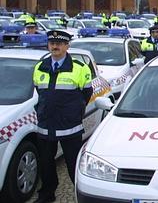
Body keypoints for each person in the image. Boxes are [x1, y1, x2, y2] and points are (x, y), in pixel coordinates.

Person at [32, 30, 92, 203]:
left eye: (59, 43)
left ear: (67, 46)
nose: (55, 46)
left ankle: (79, 193)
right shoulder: (40, 66)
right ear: (48, 45)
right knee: (46, 163)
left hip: (70, 126)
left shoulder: (79, 68)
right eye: (52, 43)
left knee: (73, 163)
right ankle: (47, 193)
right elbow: (40, 91)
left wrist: (73, 111)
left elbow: (86, 94)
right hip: (46, 125)